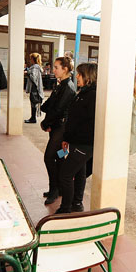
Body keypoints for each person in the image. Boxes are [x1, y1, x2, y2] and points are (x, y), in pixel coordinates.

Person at [58, 63, 97, 213]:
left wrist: (71, 137)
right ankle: (77, 203)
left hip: (84, 143)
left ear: (88, 76)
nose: (77, 77)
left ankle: (66, 207)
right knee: (80, 172)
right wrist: (67, 138)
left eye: (80, 74)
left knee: (65, 175)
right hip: (76, 141)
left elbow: (88, 123)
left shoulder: (93, 95)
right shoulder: (84, 92)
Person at [40, 56, 77, 205]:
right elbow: (51, 103)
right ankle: (58, 188)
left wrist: (46, 122)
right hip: (55, 125)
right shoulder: (61, 84)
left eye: (56, 67)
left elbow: (59, 109)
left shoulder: (68, 87)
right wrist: (43, 108)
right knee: (58, 157)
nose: (53, 70)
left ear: (65, 69)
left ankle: (55, 189)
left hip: (61, 127)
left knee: (49, 157)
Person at [25, 53, 44, 124]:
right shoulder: (37, 67)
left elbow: (34, 78)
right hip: (35, 88)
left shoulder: (35, 67)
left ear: (33, 59)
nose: (30, 60)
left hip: (34, 88)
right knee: (33, 103)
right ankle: (32, 118)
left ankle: (33, 118)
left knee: (33, 102)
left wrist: (27, 73)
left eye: (31, 58)